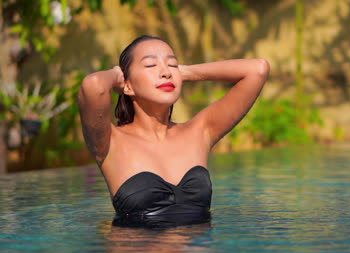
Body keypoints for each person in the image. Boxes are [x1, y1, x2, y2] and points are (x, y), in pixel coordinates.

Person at [78, 35, 269, 228]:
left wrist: (186, 72)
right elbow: (93, 86)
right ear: (127, 85)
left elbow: (258, 69)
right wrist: (118, 75)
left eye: (172, 64)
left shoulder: (199, 132)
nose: (166, 73)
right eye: (151, 65)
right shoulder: (111, 143)